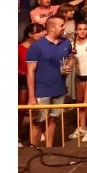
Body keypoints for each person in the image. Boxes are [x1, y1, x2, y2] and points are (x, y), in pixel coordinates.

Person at [25, 16, 73, 147]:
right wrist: (31, 96)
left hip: (59, 89)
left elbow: (70, 57)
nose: (64, 27)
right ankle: (32, 150)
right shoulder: (36, 47)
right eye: (62, 25)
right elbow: (30, 72)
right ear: (52, 28)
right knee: (39, 121)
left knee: (53, 120)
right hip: (42, 91)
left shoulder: (66, 43)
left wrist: (69, 65)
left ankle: (49, 148)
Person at [18, 23, 46, 144]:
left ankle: (37, 132)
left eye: (42, 31)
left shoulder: (40, 47)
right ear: (30, 34)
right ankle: (17, 135)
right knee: (22, 109)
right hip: (23, 82)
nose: (41, 34)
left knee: (38, 109)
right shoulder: (19, 48)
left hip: (39, 80)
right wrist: (24, 73)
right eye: (38, 32)